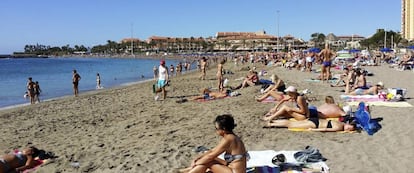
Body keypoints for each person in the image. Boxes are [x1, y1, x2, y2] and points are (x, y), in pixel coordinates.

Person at [179, 114, 248, 173]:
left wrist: (196, 163)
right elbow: (212, 151)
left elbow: (210, 156)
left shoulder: (228, 139)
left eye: (216, 128)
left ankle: (188, 171)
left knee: (208, 162)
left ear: (223, 129)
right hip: (232, 168)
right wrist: (197, 158)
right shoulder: (232, 137)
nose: (215, 131)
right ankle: (188, 170)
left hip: (234, 171)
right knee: (206, 160)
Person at [263, 118, 356, 132]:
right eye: (349, 128)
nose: (347, 129)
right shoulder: (339, 127)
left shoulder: (341, 122)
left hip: (314, 120)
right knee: (291, 124)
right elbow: (325, 129)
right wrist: (313, 130)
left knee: (292, 123)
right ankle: (271, 124)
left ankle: (273, 122)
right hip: (315, 124)